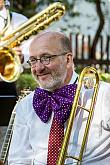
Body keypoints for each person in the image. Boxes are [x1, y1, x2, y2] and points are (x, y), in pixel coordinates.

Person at [8, 31, 110, 165]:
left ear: (68, 60)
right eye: (33, 60)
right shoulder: (26, 104)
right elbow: (18, 160)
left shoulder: (104, 94)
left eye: (46, 58)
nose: (38, 68)